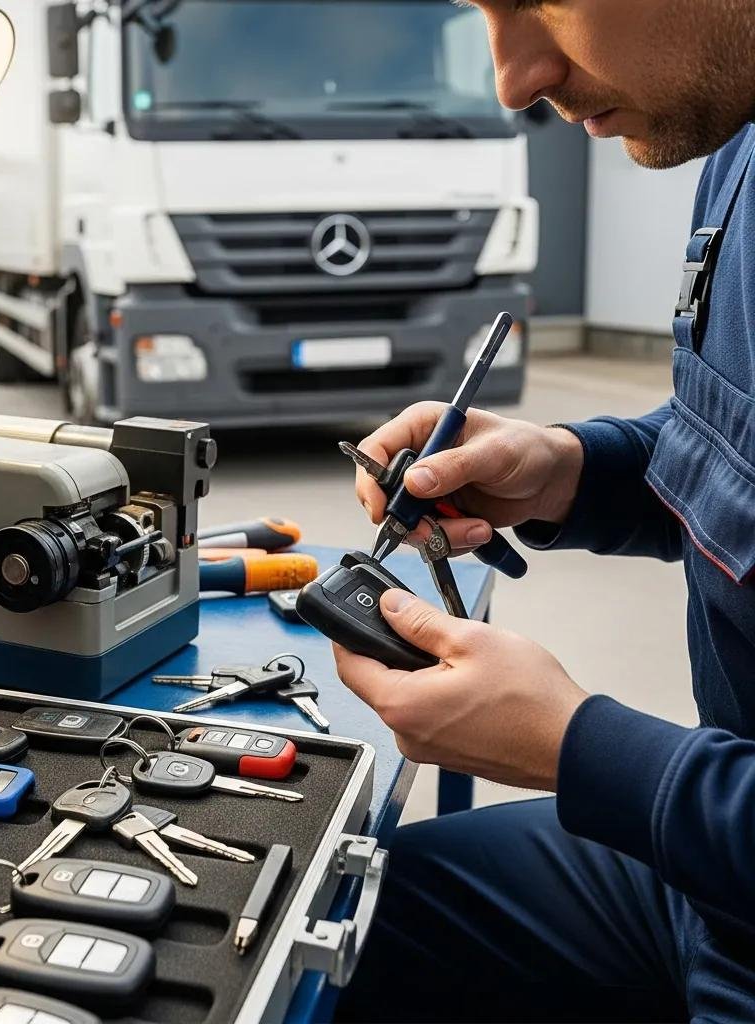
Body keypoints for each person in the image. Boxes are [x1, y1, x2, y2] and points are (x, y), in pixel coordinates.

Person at [333, 2, 755, 1022]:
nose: (513, 79)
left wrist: (576, 749)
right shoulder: (734, 138)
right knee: (330, 925)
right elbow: (730, 445)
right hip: (709, 874)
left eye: (545, 1)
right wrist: (566, 467)